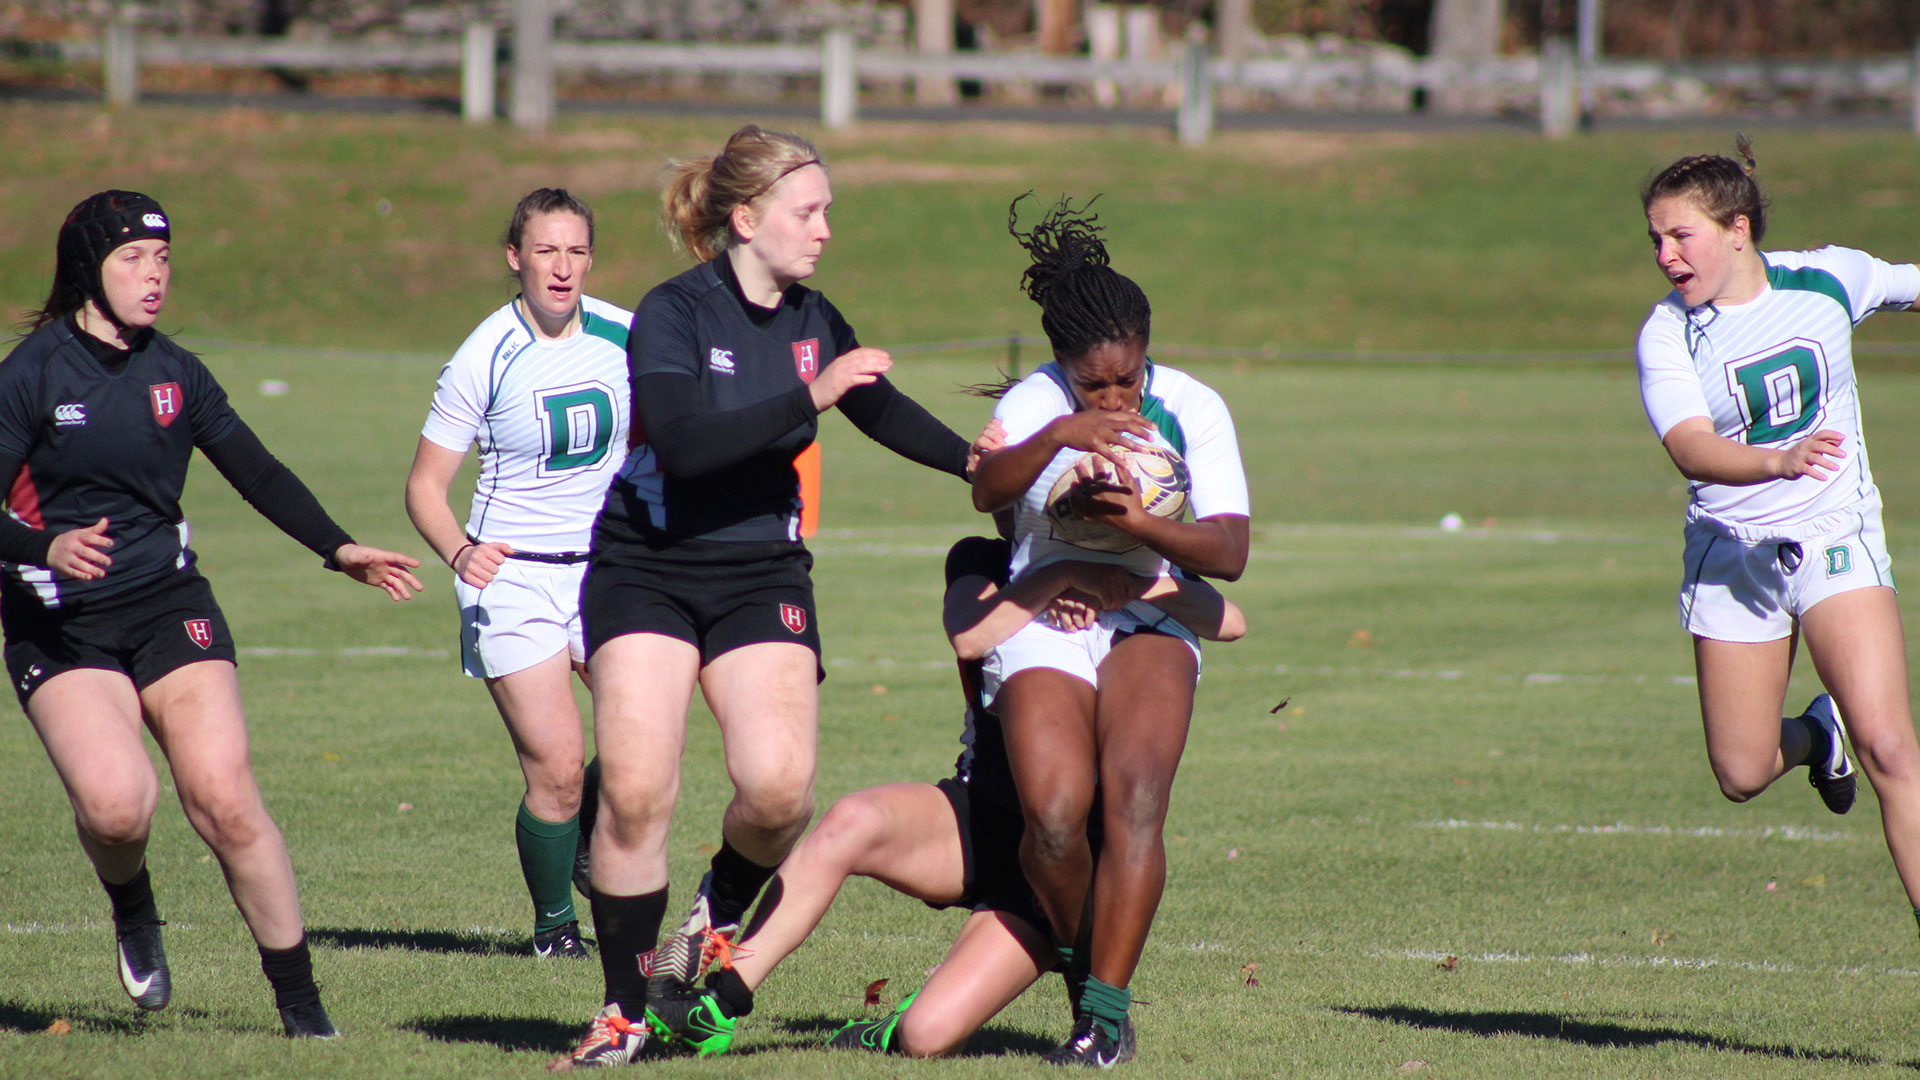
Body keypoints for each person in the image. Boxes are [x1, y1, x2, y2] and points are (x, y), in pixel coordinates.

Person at [559, 124, 990, 1068]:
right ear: (746, 219)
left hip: (761, 571)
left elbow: (876, 405)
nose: (826, 229)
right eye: (810, 211)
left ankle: (710, 914)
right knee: (634, 793)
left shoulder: (811, 317)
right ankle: (625, 1013)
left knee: (779, 791)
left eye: (827, 210)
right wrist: (814, 395)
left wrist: (977, 465)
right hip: (650, 566)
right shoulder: (675, 313)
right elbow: (682, 443)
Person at [0, 190, 424, 1038]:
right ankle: (133, 905)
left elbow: (256, 472)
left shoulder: (176, 372)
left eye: (162, 260)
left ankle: (303, 1012)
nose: (154, 277)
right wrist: (43, 548)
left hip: (169, 606)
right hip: (60, 624)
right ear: (88, 268)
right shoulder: (31, 375)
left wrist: (338, 550)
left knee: (226, 799)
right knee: (119, 807)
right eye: (132, 260)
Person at [640, 533, 1244, 1058]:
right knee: (852, 820)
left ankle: (895, 1027)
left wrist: (1122, 586)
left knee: (928, 1035)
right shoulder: (982, 559)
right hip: (977, 817)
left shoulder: (1143, 570)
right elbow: (971, 635)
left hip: (1058, 876)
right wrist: (1057, 576)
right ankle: (717, 1007)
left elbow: (1230, 619)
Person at [967, 194, 1250, 1066]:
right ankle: (1091, 982)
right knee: (1054, 820)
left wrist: (1141, 525)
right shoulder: (1036, 403)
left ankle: (1100, 1019)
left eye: (1128, 378)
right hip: (1045, 610)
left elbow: (1229, 552)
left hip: (1150, 603)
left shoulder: (1193, 407)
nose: (1117, 396)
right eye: (1096, 384)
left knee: (1133, 800)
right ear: (1062, 366)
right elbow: (986, 493)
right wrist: (1064, 431)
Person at [1636, 139, 1920, 931]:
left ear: (1736, 229)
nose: (1664, 256)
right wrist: (1775, 460)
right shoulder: (1667, 336)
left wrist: (1800, 469)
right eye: (1654, 240)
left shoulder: (1829, 276)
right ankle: (1814, 736)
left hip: (1835, 535)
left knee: (1894, 750)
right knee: (1740, 770)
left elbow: (1911, 285)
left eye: (1678, 236)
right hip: (1734, 559)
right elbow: (1690, 446)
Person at [405, 188, 627, 962]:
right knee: (558, 767)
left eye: (575, 251)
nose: (561, 268)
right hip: (516, 579)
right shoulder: (483, 355)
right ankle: (555, 927)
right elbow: (425, 488)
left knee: (640, 745)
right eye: (545, 251)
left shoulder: (629, 335)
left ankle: (599, 835)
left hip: (608, 574)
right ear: (515, 258)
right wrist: (462, 553)